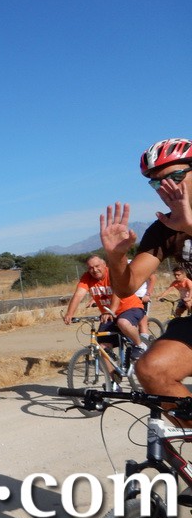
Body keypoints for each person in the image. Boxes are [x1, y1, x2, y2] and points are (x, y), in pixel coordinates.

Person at [100, 137, 192, 405]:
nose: (167, 187)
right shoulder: (164, 227)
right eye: (157, 182)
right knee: (151, 370)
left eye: (176, 176)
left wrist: (189, 227)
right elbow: (126, 287)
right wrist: (116, 258)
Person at [62, 255, 148, 362]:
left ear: (104, 265)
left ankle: (140, 345)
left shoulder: (113, 273)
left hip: (130, 307)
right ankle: (113, 372)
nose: (94, 270)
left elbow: (117, 293)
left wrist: (111, 311)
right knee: (102, 349)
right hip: (108, 314)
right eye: (91, 268)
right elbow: (79, 295)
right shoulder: (87, 277)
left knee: (123, 322)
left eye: (97, 266)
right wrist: (70, 313)